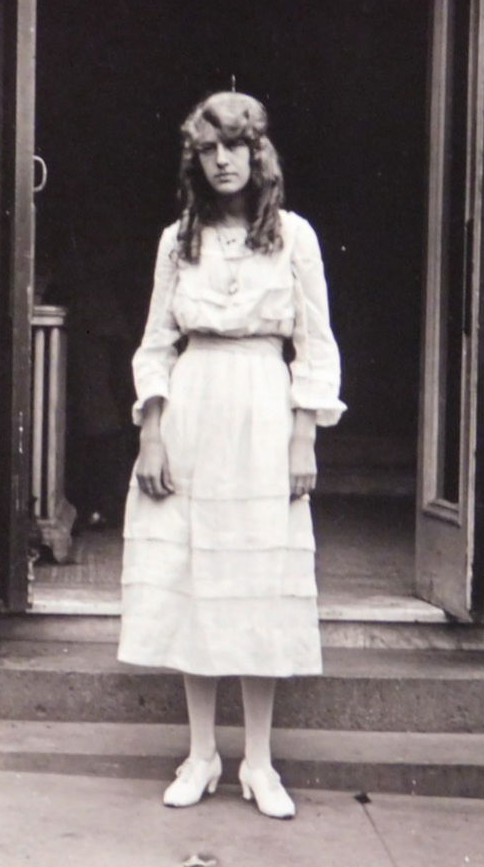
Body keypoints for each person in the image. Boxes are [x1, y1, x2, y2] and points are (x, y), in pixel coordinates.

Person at [120, 92, 343, 819]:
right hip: (192, 406)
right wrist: (151, 432)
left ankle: (259, 760)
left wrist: (304, 433)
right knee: (195, 579)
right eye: (209, 150)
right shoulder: (176, 239)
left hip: (262, 408)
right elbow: (156, 341)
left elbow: (315, 342)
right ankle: (200, 752)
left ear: (258, 155)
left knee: (257, 582)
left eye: (235, 148)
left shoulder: (295, 237)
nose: (223, 161)